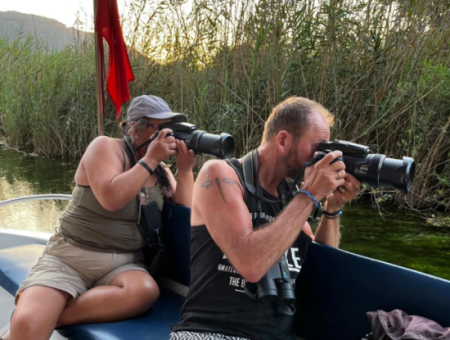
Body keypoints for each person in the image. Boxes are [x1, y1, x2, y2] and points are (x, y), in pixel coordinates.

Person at [170, 96, 361, 340]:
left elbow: (320, 262)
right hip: (211, 332)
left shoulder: (289, 199)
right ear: (283, 140)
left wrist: (331, 207)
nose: (322, 158)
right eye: (318, 148)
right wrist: (310, 194)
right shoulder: (220, 175)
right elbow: (251, 265)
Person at [8, 95, 196, 340]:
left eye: (170, 128)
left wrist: (184, 169)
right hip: (71, 257)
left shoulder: (161, 171)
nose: (167, 135)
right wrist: (149, 159)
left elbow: (184, 212)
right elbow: (111, 198)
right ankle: (32, 320)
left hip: (125, 262)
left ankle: (46, 316)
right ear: (134, 127)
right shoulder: (106, 147)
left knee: (144, 291)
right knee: (27, 327)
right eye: (158, 128)